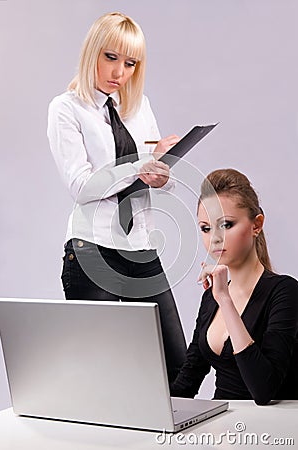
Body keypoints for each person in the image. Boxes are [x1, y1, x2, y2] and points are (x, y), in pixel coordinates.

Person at [47, 11, 186, 382]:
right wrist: (140, 167)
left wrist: (161, 174)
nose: (120, 73)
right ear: (92, 51)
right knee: (103, 372)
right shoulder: (66, 109)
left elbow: (157, 175)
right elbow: (81, 185)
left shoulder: (139, 106)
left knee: (177, 366)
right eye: (111, 57)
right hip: (92, 248)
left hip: (140, 244)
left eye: (130, 63)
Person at [170, 168, 298, 404]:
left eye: (226, 224)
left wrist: (225, 301)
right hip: (221, 428)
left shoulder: (285, 292)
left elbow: (264, 390)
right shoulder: (211, 297)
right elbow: (189, 378)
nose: (214, 238)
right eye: (206, 228)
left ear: (256, 224)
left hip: (270, 430)